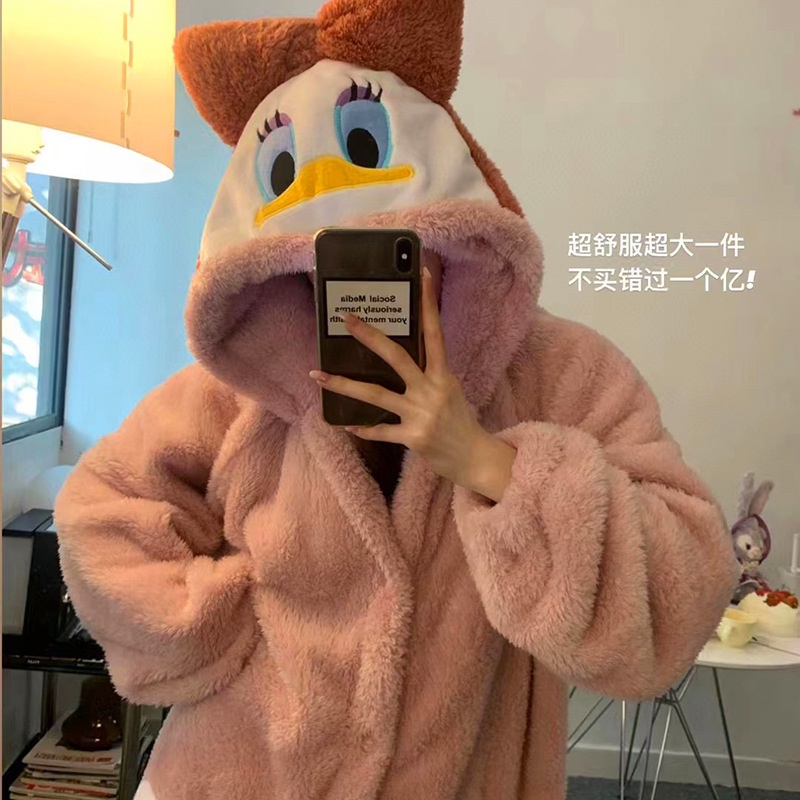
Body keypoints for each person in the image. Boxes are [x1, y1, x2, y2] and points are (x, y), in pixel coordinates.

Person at [53, 1, 739, 799]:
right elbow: (102, 512)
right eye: (311, 262)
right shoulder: (240, 385)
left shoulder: (560, 373)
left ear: (456, 233)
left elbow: (678, 595)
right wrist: (220, 626)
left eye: (401, 243)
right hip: (238, 773)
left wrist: (485, 460)